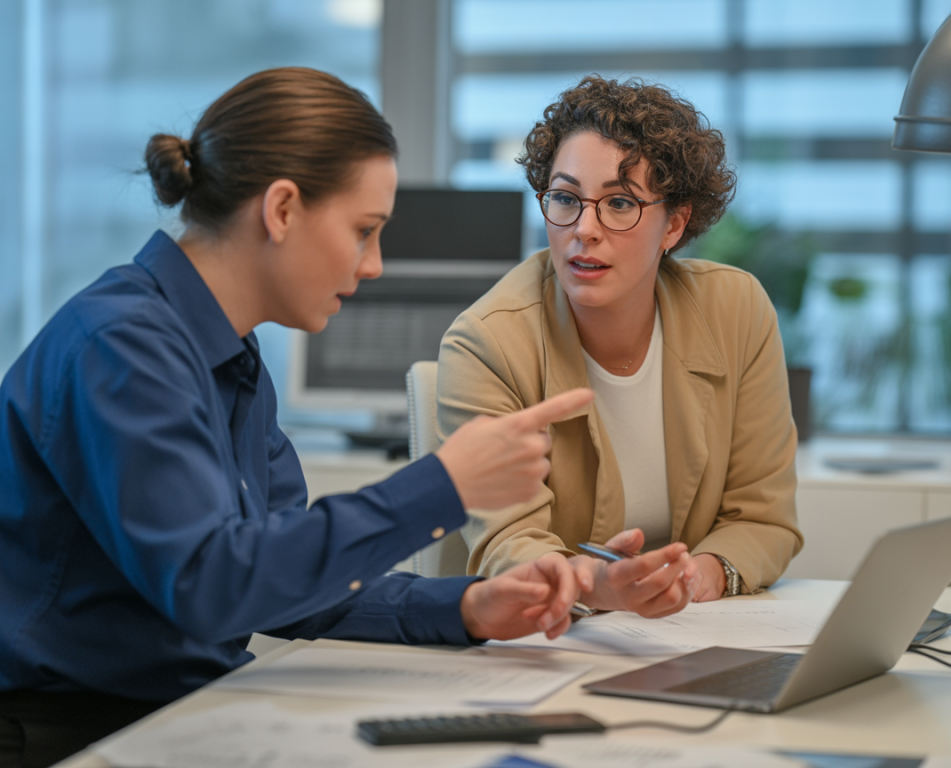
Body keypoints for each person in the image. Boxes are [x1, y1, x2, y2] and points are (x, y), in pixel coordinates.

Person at [0, 67, 594, 768]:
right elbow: (215, 586)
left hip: (171, 714)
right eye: (364, 231)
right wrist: (444, 483)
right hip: (65, 735)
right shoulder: (122, 348)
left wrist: (466, 608)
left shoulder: (230, 354)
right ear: (281, 209)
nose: (372, 265)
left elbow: (282, 583)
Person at [436, 75, 803, 616]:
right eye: (565, 198)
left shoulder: (737, 311)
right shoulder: (487, 342)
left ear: (675, 223)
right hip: (540, 640)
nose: (584, 229)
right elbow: (509, 543)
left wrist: (696, 577)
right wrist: (595, 587)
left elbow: (764, 517)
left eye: (619, 203)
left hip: (686, 634)